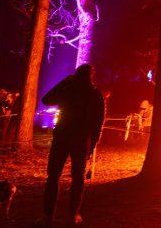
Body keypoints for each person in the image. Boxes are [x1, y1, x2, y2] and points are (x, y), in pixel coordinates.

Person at [42, 64, 106, 227]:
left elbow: (46, 99)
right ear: (91, 76)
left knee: (54, 176)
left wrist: (63, 82)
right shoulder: (95, 94)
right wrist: (93, 143)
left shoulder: (68, 90)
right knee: (77, 177)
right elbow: (99, 122)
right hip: (80, 139)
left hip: (63, 137)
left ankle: (49, 216)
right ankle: (73, 214)